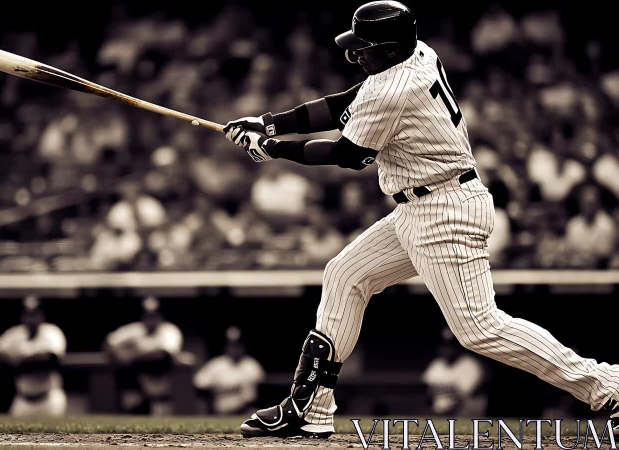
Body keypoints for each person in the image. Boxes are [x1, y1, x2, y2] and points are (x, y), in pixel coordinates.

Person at [223, 1, 619, 439]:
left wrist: (271, 148)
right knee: (344, 275)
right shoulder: (416, 53)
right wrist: (270, 123)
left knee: (479, 328)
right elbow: (347, 103)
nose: (357, 55)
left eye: (365, 48)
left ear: (391, 50)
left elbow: (348, 154)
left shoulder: (394, 88)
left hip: (444, 210)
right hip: (419, 205)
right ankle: (309, 408)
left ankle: (609, 386)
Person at [0, 295, 67, 417]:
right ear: (22, 316)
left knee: (53, 435)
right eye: (28, 314)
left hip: (48, 398)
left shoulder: (51, 332)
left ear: (42, 316)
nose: (31, 319)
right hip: (22, 399)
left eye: (35, 314)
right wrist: (11, 361)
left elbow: (51, 358)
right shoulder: (16, 333)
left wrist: (20, 362)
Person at [104, 296, 183, 415]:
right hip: (137, 379)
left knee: (162, 415)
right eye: (147, 316)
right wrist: (120, 354)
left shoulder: (169, 330)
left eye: (154, 316)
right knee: (133, 408)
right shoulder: (135, 329)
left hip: (160, 377)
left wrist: (131, 356)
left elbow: (162, 354)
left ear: (161, 316)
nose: (150, 320)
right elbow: (109, 342)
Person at [193, 327, 265, 415]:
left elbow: (260, 395)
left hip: (246, 413)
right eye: (231, 345)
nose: (234, 349)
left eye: (237, 345)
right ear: (226, 346)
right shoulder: (215, 365)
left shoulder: (252, 365)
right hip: (220, 414)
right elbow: (198, 385)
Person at [422, 326, 488, 417]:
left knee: (471, 402)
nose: (447, 350)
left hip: (465, 412)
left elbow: (463, 397)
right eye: (444, 346)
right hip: (442, 413)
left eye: (451, 346)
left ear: (459, 347)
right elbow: (427, 392)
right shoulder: (436, 365)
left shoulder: (470, 365)